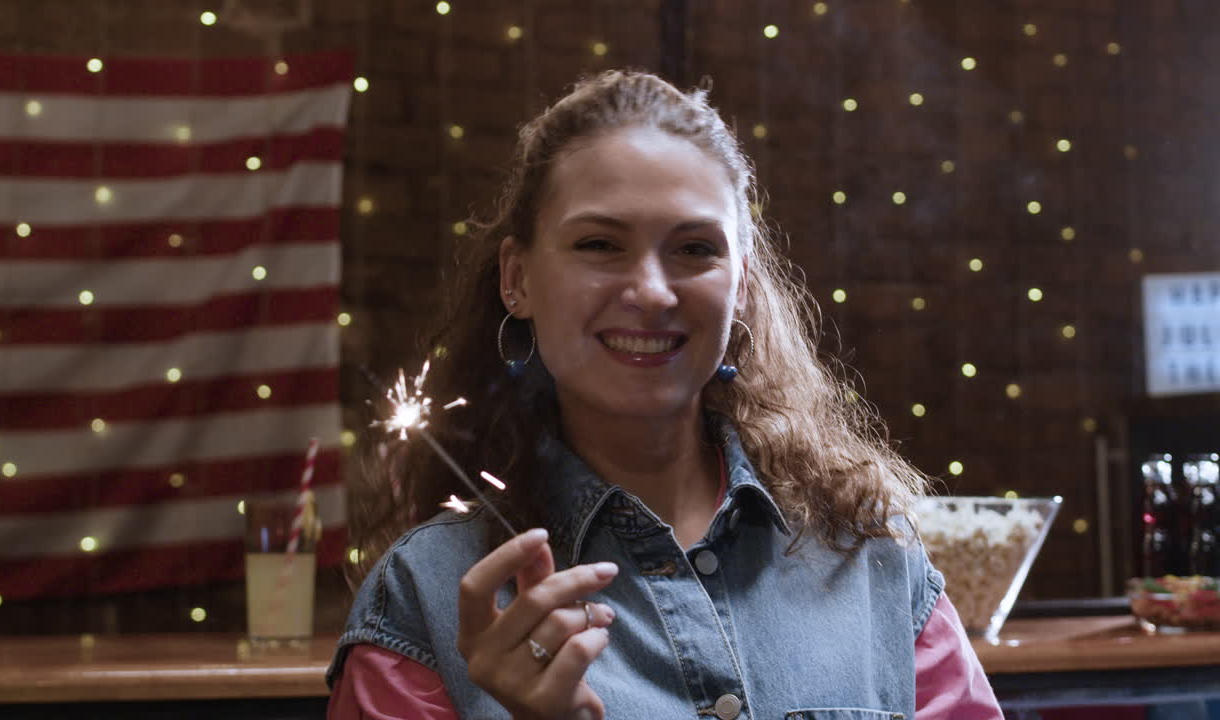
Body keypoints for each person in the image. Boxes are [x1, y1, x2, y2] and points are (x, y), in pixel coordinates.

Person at [327, 70, 1003, 720]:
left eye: (694, 248)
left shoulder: (870, 557)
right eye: (599, 244)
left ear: (740, 285)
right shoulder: (427, 595)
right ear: (517, 279)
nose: (652, 291)